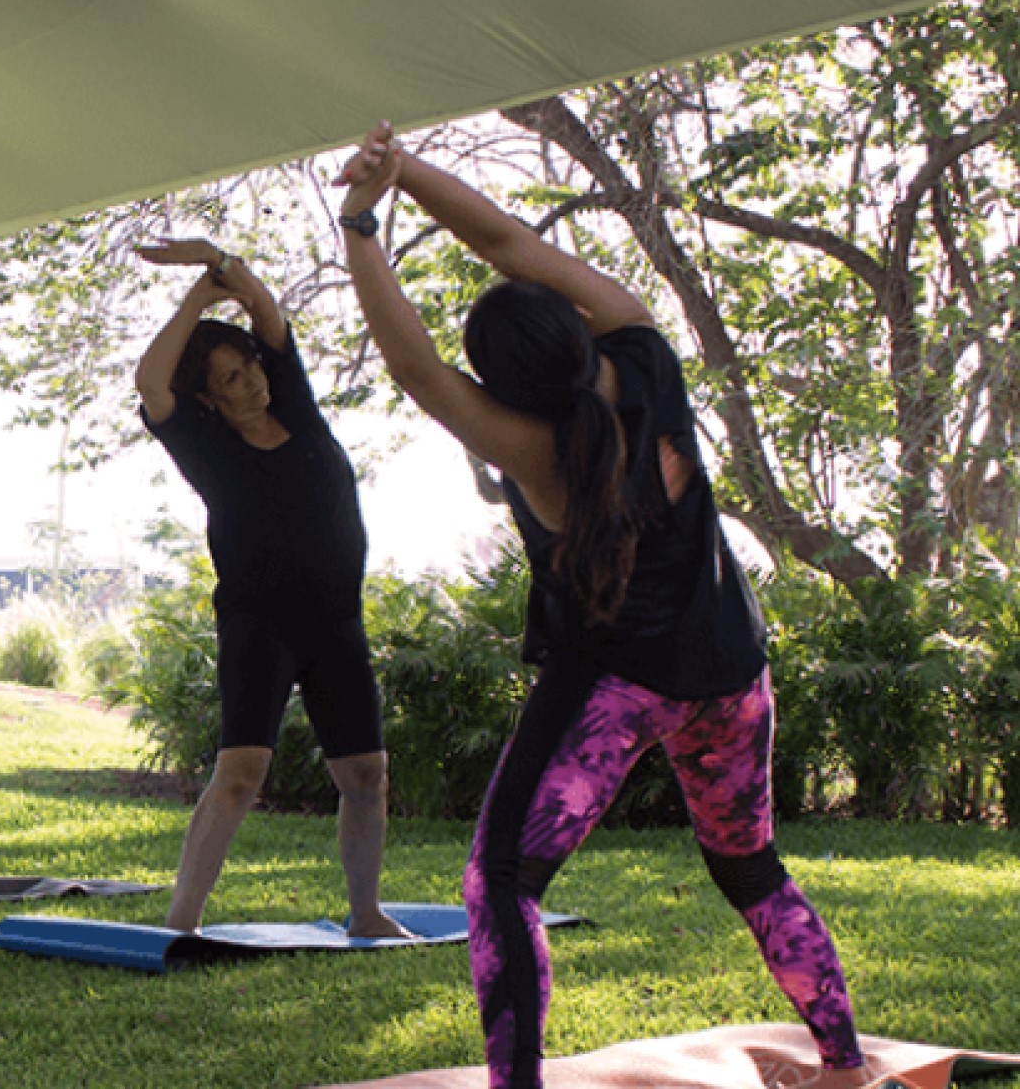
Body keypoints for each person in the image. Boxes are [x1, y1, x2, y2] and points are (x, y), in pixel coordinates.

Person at [335, 122, 867, 1088]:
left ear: (507, 385)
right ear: (574, 328)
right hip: (732, 674)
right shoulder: (645, 348)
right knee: (750, 868)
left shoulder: (530, 449)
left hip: (616, 689)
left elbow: (416, 371)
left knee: (500, 884)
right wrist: (405, 171)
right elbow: (507, 243)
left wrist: (362, 225)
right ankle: (842, 1056)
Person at [130, 239, 409, 939]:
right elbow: (151, 381)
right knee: (241, 772)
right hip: (261, 623)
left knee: (367, 775)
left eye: (248, 365)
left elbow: (264, 309)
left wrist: (213, 258)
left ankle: (367, 913)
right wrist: (196, 298)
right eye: (229, 379)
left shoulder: (299, 406)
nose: (250, 381)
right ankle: (182, 924)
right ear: (210, 400)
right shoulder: (206, 446)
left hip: (336, 624)